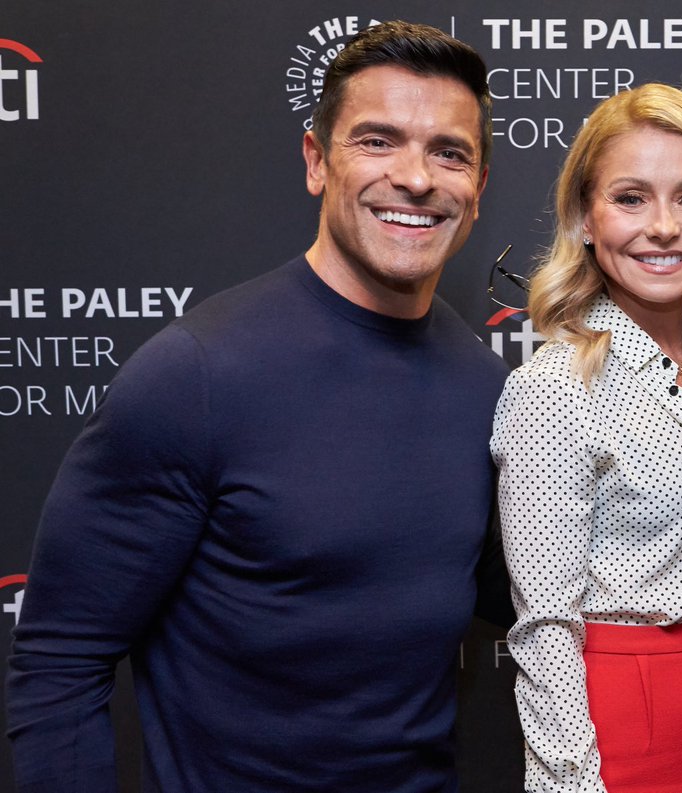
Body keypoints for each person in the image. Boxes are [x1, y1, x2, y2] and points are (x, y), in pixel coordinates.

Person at [6, 20, 511, 792]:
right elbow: (58, 661)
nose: (417, 178)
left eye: (450, 152)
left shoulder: (488, 387)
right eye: (377, 141)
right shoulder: (196, 376)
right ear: (316, 161)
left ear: (478, 188)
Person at [491, 83, 682, 793]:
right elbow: (544, 626)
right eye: (630, 198)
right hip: (623, 716)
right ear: (585, 220)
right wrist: (569, 781)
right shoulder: (556, 386)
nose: (664, 227)